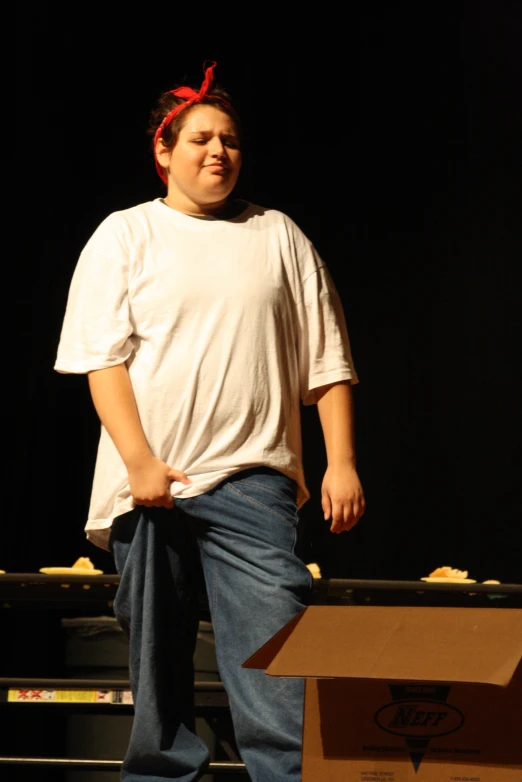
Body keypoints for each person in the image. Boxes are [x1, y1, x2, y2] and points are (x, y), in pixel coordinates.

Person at [54, 60, 365, 782]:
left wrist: (340, 461)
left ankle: (286, 776)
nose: (218, 151)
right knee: (156, 660)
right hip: (152, 478)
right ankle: (160, 774)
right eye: (199, 139)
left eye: (229, 139)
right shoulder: (124, 236)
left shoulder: (277, 235)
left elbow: (328, 362)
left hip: (253, 477)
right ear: (164, 150)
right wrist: (138, 463)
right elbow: (103, 360)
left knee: (276, 651)